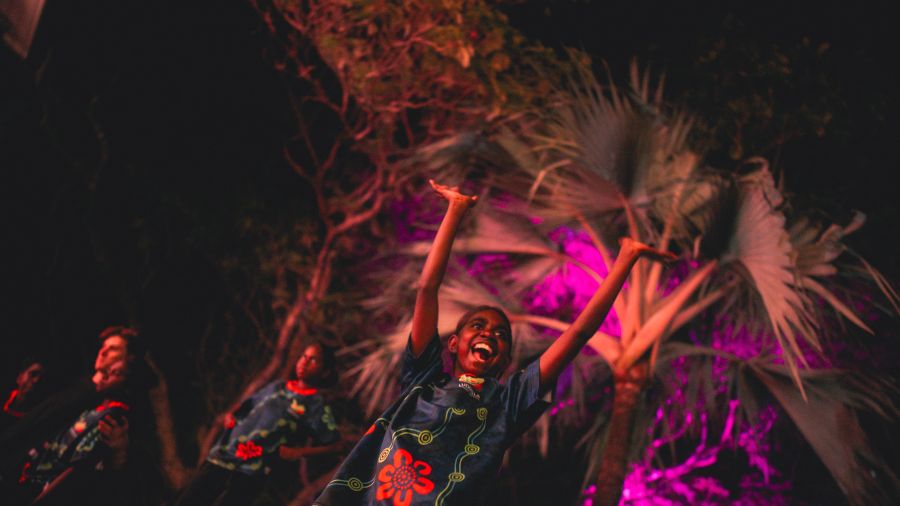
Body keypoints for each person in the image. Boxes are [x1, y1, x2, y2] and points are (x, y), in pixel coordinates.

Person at [314, 180, 673, 505]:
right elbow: (426, 290)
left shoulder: (508, 404)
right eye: (478, 326)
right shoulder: (425, 381)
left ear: (505, 361)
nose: (489, 333)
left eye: (501, 334)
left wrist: (626, 259)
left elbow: (577, 334)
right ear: (453, 344)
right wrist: (455, 210)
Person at [0, 325, 157, 506]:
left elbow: (97, 473)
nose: (103, 352)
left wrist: (119, 453)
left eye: (113, 348)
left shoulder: (124, 414)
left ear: (129, 361)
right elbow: (40, 420)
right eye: (103, 347)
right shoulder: (87, 396)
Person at [175, 341, 343, 506]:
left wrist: (298, 451)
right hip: (224, 454)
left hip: (253, 470)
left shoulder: (315, 405)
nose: (304, 362)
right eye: (303, 356)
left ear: (325, 371)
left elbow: (336, 446)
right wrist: (231, 415)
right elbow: (247, 405)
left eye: (313, 360)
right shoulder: (277, 387)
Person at [1, 358, 46, 433]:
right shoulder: (4, 398)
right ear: (19, 377)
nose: (36, 381)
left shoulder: (34, 422)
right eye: (33, 374)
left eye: (41, 379)